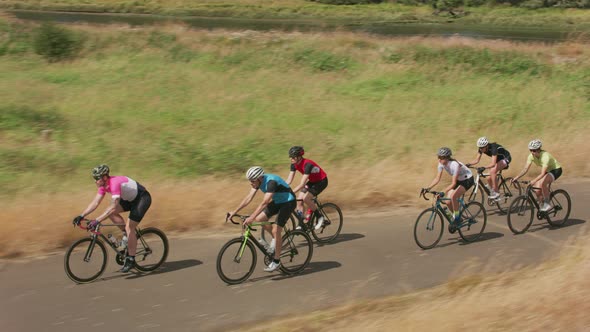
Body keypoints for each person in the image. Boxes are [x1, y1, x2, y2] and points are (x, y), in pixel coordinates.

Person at [72, 164, 152, 273]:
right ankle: (126, 235)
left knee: (130, 227)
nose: (95, 181)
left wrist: (97, 220)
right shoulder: (103, 186)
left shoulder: (114, 183)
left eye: (97, 178)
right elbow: (96, 202)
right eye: (94, 179)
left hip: (142, 199)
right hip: (130, 200)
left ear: (105, 177)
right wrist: (82, 215)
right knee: (111, 214)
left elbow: (113, 206)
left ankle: (131, 259)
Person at [227, 166, 296, 272]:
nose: (251, 183)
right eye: (250, 181)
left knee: (276, 229)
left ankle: (277, 262)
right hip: (278, 201)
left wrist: (251, 217)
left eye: (252, 181)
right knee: (260, 219)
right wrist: (234, 212)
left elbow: (264, 203)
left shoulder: (271, 182)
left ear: (259, 178)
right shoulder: (257, 182)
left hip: (288, 202)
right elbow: (248, 198)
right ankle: (276, 239)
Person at [423, 147, 474, 233]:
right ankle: (459, 217)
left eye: (441, 157)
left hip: (467, 179)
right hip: (459, 180)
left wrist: (443, 191)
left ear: (447, 158)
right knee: (448, 202)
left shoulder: (454, 165)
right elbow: (437, 178)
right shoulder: (441, 164)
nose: (439, 159)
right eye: (438, 157)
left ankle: (457, 218)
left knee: (454, 197)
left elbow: (453, 183)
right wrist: (427, 188)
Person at [511, 139, 563, 212]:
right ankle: (542, 206)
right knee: (536, 188)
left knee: (543, 183)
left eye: (534, 150)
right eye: (531, 150)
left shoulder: (545, 156)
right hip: (547, 171)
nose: (532, 152)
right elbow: (525, 169)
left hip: (556, 170)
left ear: (539, 149)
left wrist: (533, 181)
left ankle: (547, 204)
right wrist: (516, 177)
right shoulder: (531, 156)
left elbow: (542, 173)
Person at [285, 146, 328, 231]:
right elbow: (289, 180)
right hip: (312, 181)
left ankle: (320, 217)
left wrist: (291, 192)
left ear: (299, 157)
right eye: (290, 157)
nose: (291, 159)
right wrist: (282, 189)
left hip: (321, 181)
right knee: (299, 199)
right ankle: (301, 223)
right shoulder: (294, 165)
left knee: (306, 198)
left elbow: (302, 184)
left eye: (293, 157)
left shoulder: (308, 164)